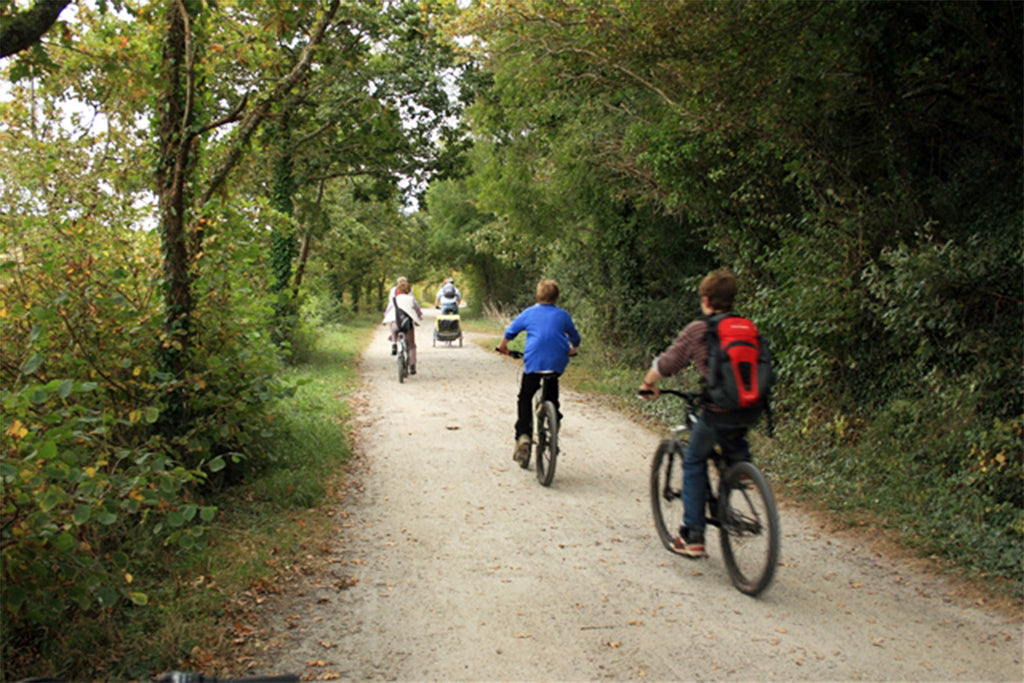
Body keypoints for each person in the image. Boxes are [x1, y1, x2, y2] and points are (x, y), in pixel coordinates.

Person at [638, 269, 755, 559]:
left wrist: (648, 383)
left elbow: (669, 362)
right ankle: (740, 470)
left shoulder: (700, 329)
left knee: (693, 460)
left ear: (705, 300)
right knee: (732, 436)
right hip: (750, 408)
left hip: (716, 410)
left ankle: (692, 536)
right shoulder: (747, 327)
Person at [497, 278, 581, 465]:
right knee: (552, 396)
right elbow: (575, 338)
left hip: (534, 363)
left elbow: (509, 333)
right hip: (556, 362)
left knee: (525, 397)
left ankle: (524, 436)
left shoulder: (529, 313)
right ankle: (553, 425)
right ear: (557, 297)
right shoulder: (563, 315)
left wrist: (503, 347)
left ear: (538, 295)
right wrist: (573, 349)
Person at [383, 277, 423, 374]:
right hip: (407, 325)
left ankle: (394, 343)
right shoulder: (411, 299)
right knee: (411, 346)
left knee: (393, 328)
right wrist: (419, 317)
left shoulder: (394, 299)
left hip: (396, 324)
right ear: (409, 290)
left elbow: (388, 311)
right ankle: (412, 366)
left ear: (398, 290)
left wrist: (385, 318)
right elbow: (417, 310)